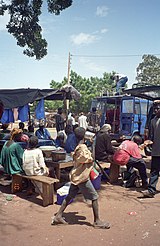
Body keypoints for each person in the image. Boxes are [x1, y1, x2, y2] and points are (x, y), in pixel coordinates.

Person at [51, 127, 110, 229]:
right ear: (84, 135)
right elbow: (87, 159)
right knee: (94, 197)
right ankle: (97, 221)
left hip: (77, 175)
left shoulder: (79, 146)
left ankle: (58, 216)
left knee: (70, 196)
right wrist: (91, 152)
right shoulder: (82, 147)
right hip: (82, 177)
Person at [141, 100, 160, 198]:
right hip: (156, 151)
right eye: (154, 109)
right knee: (154, 171)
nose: (156, 110)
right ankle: (151, 190)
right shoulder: (153, 121)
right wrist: (147, 142)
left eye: (158, 108)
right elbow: (151, 137)